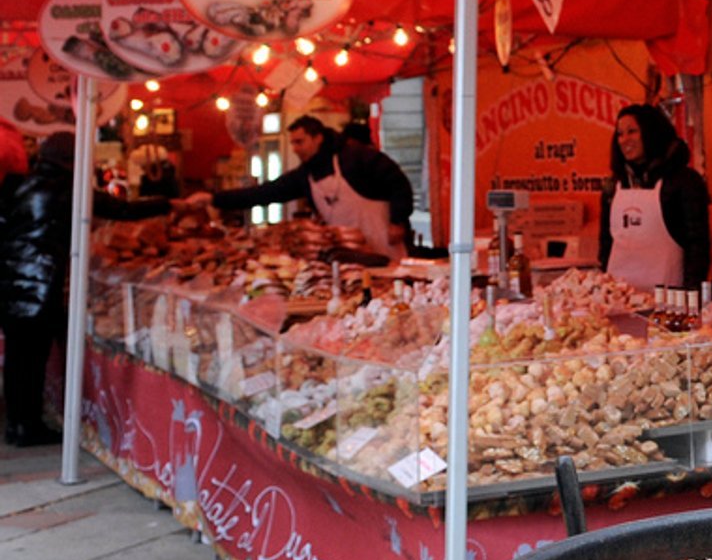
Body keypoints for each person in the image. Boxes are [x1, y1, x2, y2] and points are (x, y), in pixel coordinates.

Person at [0, 133, 175, 444]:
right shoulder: (70, 189)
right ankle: (27, 427)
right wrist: (169, 204)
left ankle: (17, 424)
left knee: (17, 358)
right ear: (70, 160)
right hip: (39, 287)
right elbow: (121, 210)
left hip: (10, 282)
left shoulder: (17, 185)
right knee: (32, 360)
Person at [187, 115, 414, 259]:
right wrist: (213, 199)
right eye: (292, 143)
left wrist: (397, 220)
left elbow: (397, 181)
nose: (295, 148)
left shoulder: (356, 157)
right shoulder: (306, 175)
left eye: (299, 141)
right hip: (346, 255)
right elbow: (264, 193)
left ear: (318, 138)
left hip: (384, 244)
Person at [599, 102, 710, 290]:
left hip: (670, 300)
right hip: (620, 299)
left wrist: (691, 295)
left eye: (632, 131)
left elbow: (697, 246)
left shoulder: (684, 181)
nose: (624, 139)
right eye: (620, 134)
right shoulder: (613, 186)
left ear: (651, 132)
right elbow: (605, 244)